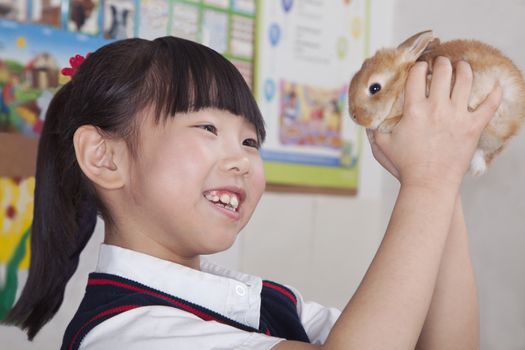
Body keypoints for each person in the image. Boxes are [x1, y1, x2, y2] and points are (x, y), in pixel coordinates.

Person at [2, 36, 501, 349]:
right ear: (104, 157)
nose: (242, 158)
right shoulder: (125, 334)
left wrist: (445, 173)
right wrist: (428, 179)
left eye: (249, 140)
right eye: (206, 127)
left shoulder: (268, 303)